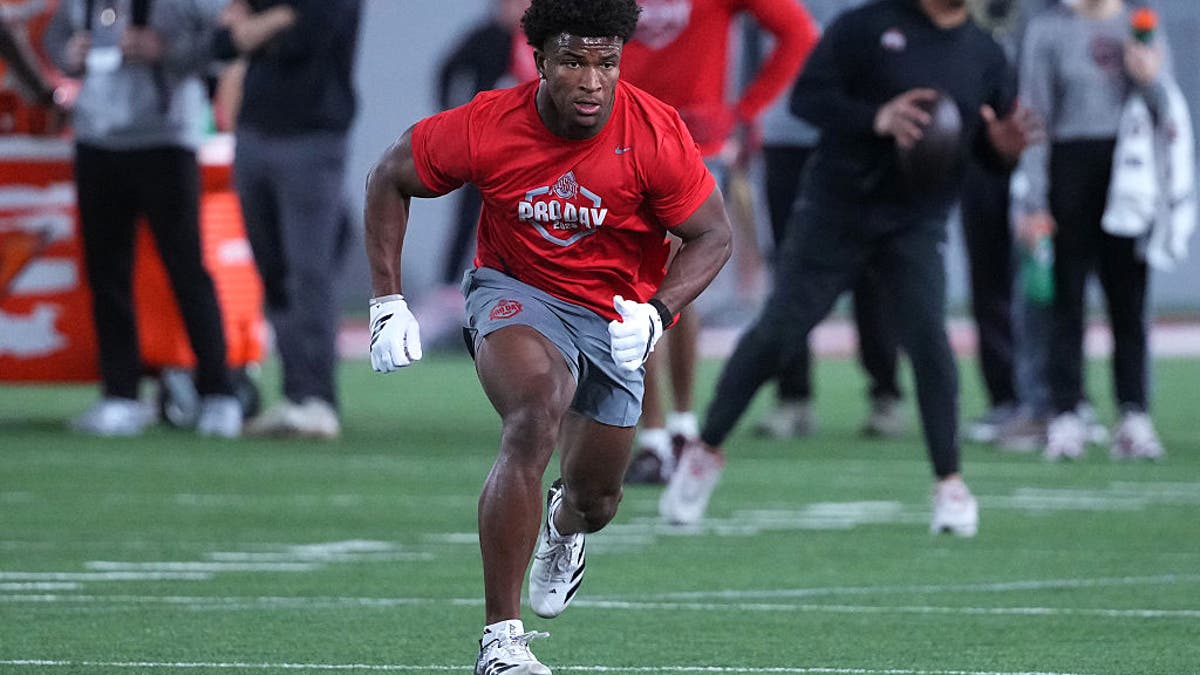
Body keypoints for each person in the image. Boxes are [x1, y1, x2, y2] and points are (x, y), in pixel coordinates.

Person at [364, 1, 731, 671]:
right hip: (517, 292)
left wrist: (658, 312)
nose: (591, 81)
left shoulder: (652, 131)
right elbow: (391, 177)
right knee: (535, 411)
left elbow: (714, 233)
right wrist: (387, 299)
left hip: (617, 314)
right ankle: (500, 640)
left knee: (599, 499)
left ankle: (563, 525)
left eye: (606, 63)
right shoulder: (488, 122)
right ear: (539, 61)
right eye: (573, 61)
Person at [660, 0, 1040, 537]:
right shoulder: (866, 25)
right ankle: (706, 450)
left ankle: (950, 484)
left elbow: (983, 143)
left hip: (915, 220)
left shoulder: (985, 54)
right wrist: (875, 118)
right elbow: (809, 98)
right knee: (778, 333)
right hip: (837, 208)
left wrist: (1004, 153)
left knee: (930, 341)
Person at [618, 0, 818, 483]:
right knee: (648, 284)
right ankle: (669, 430)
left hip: (692, 143)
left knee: (658, 283)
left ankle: (663, 433)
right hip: (621, 134)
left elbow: (799, 33)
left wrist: (742, 110)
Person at [44, 0, 242, 438]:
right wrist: (69, 56)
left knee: (187, 270)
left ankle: (219, 392)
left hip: (165, 140)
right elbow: (55, 35)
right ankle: (120, 396)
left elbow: (224, 42)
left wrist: (165, 50)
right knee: (107, 275)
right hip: (97, 138)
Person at [1017, 0, 1171, 461]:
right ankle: (1066, 412)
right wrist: (1034, 200)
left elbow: (1167, 110)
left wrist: (1149, 78)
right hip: (1069, 167)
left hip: (1128, 170)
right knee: (1066, 301)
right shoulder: (1048, 29)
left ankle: (1134, 413)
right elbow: (1034, 116)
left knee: (1129, 300)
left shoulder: (1140, 23)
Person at [752, 0, 905, 441]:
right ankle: (792, 396)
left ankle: (885, 392)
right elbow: (747, 50)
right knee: (788, 268)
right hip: (784, 137)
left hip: (860, 139)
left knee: (873, 265)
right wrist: (747, 115)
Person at [215, 0, 362, 440]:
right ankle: (295, 392)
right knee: (272, 269)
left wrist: (257, 26)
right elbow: (222, 41)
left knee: (308, 270)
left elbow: (305, 36)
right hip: (255, 130)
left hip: (312, 136)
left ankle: (317, 397)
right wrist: (278, 17)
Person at [415, 0, 536, 348]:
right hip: (486, 150)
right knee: (468, 218)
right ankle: (446, 296)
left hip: (537, 156)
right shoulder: (486, 39)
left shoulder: (549, 41)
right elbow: (448, 68)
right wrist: (450, 118)